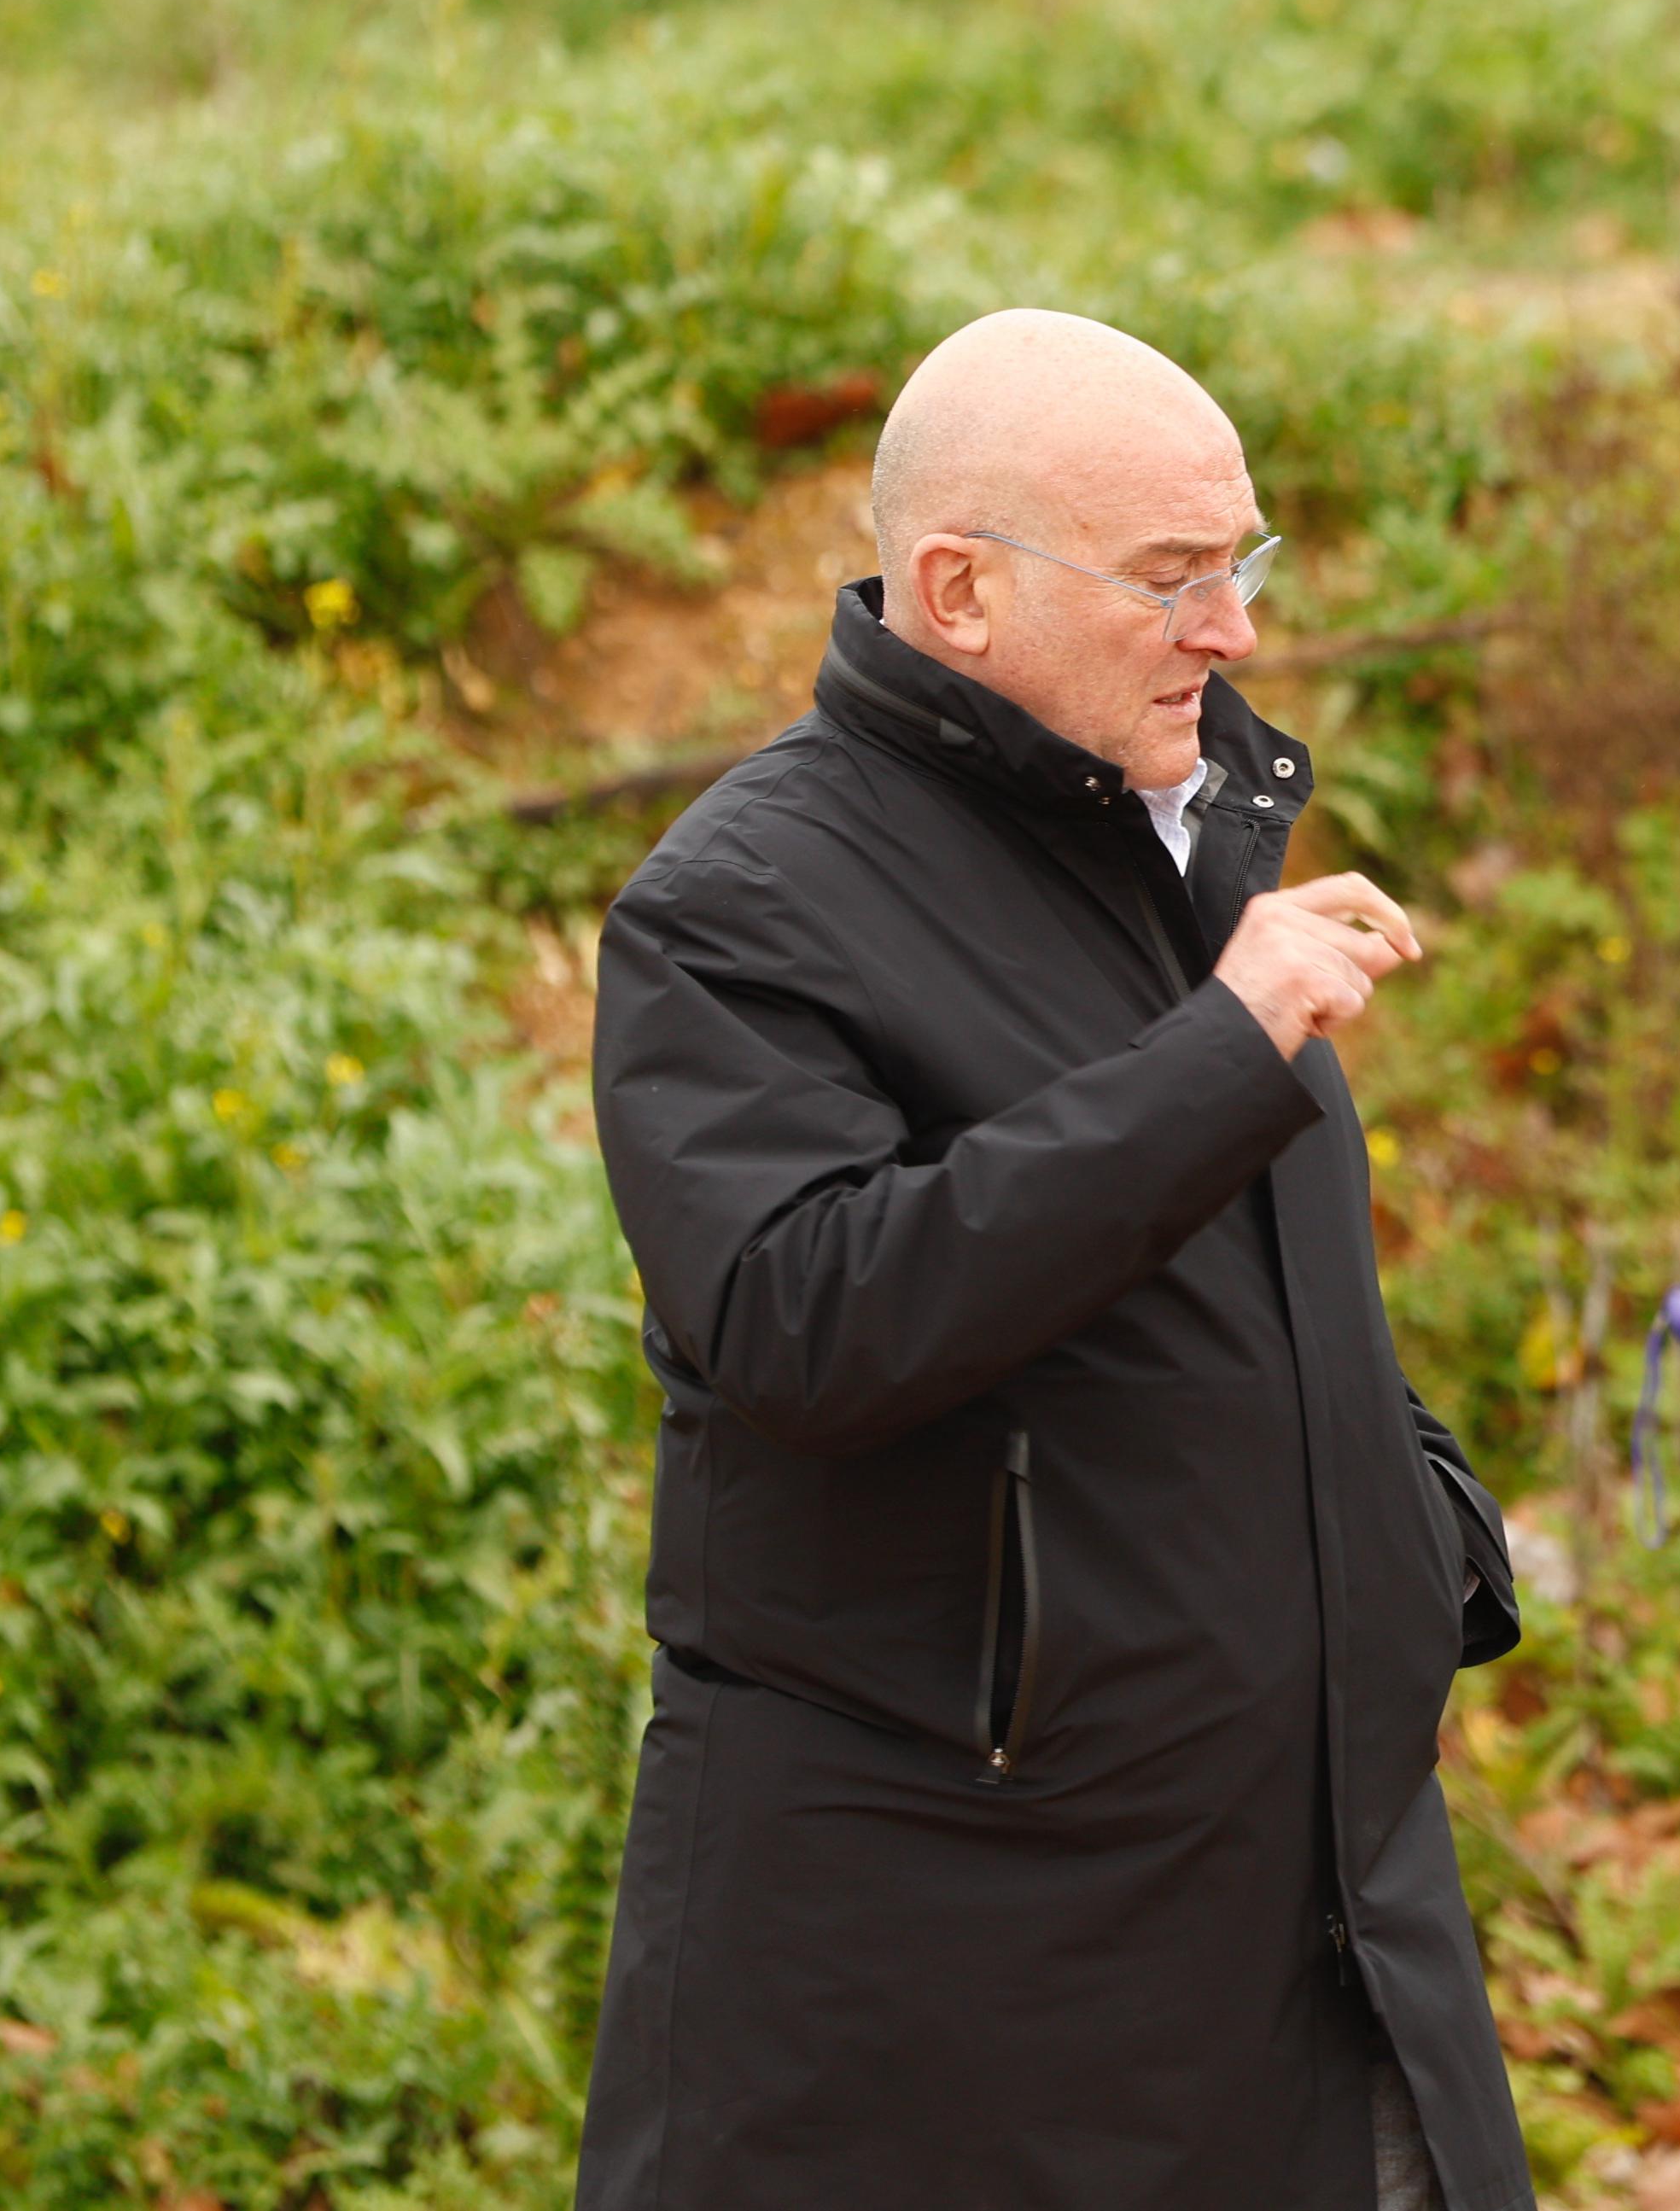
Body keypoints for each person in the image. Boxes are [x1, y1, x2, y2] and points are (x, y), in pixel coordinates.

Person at [573, 310, 1530, 2211]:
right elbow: (804, 1320)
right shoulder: (738, 902)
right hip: (951, 1996)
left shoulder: (1185, 842)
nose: (1231, 629)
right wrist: (1218, 1051)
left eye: (1242, 562)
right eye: (1172, 576)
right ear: (961, 590)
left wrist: (1419, 1533)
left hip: (1321, 1921)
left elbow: (1246, 1296)